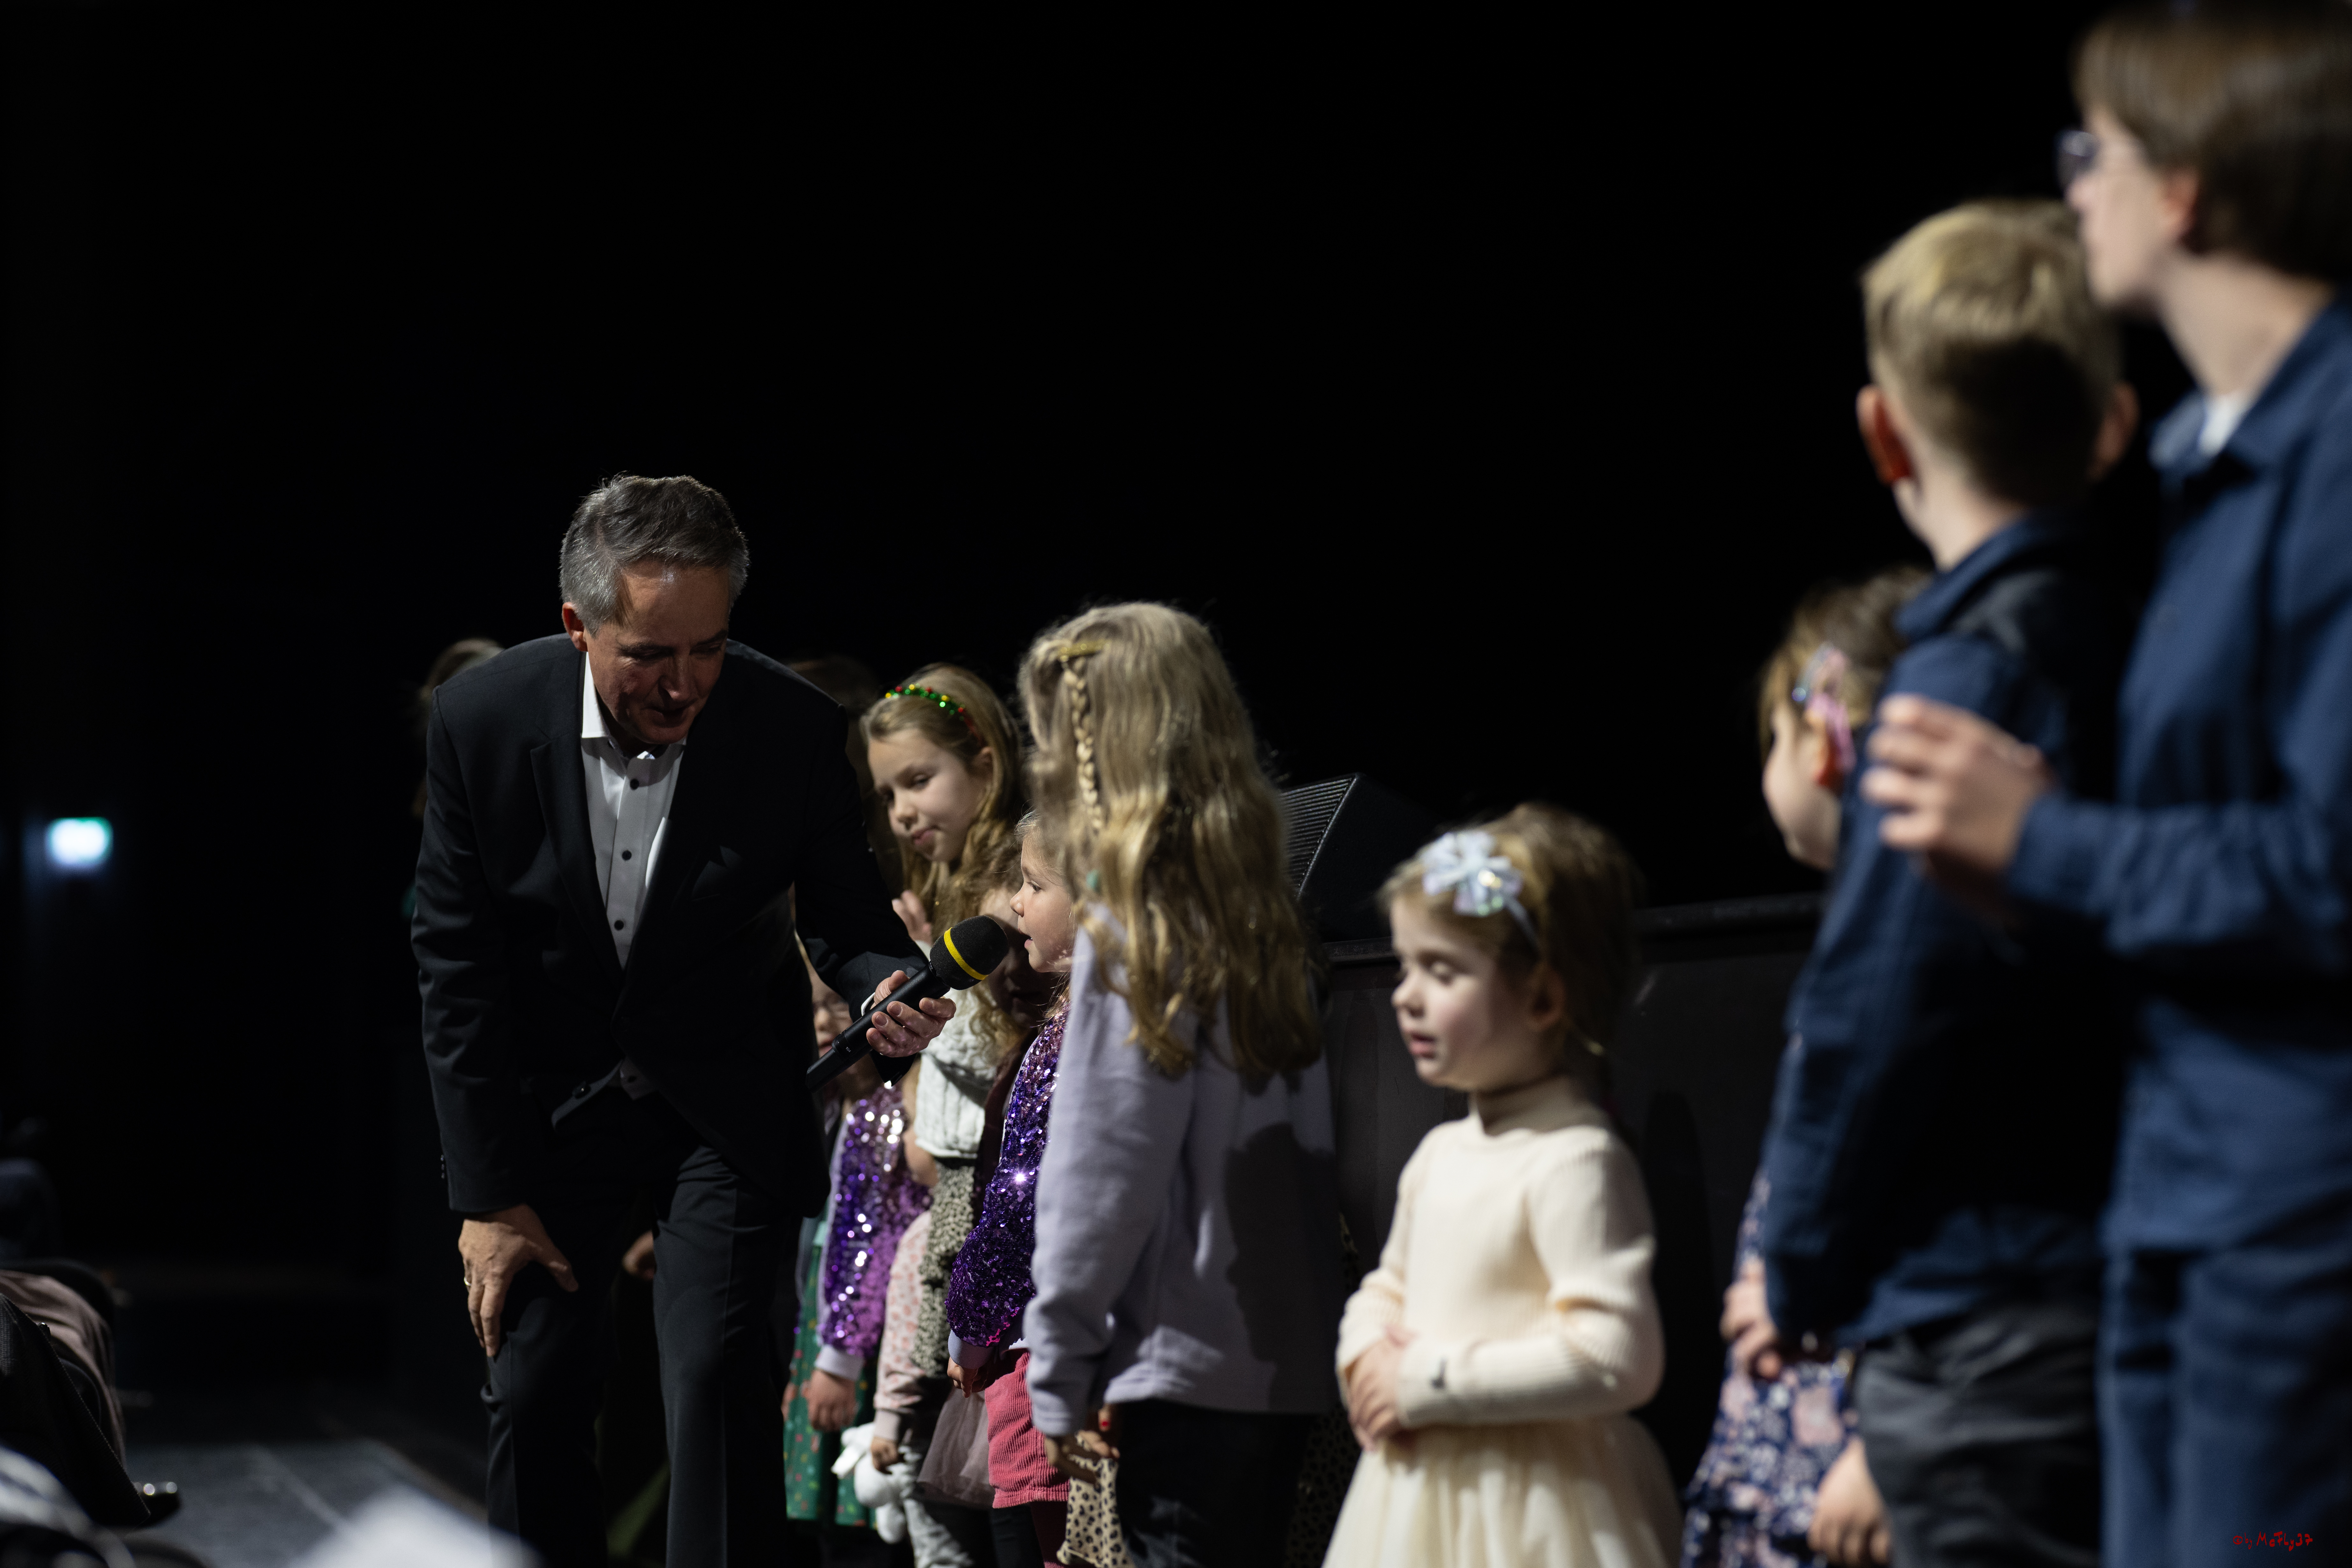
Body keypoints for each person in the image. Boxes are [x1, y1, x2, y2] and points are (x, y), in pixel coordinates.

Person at [1859, 5, 2352, 1557]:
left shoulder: (2336, 453)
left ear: (2187, 189)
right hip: (2182, 1208)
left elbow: (2326, 870)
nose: (2072, 188)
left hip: (2286, 1223)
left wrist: (2045, 836)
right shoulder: (2219, 466)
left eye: (2097, 152)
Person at [412, 474, 954, 1566]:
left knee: (710, 1374)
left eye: (707, 648)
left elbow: (851, 924)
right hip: (553, 1113)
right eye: (651, 655)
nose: (684, 684)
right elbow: (456, 967)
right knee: (535, 1387)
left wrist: (888, 982)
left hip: (722, 1104)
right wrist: (487, 1198)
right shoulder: (480, 720)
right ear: (577, 627)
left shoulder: (793, 726)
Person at [1754, 201, 2140, 1568]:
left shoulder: (1958, 681)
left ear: (1883, 431)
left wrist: (1791, 1259)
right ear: (2111, 420)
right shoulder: (2122, 637)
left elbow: (1875, 1002)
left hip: (1976, 1317)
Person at [1016, 604, 1345, 1568]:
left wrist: (1062, 1357)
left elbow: (1101, 1168)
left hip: (1179, 1368)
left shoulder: (1135, 929)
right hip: (1274, 1367)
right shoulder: (1260, 916)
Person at [1326, 807, 1681, 1567]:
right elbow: (1385, 1286)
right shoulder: (1439, 1152)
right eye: (1405, 964)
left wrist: (1423, 1379)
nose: (1404, 994)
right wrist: (1363, 1357)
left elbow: (1615, 1352)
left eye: (1442, 970)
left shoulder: (1573, 1159)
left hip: (1536, 1508)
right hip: (1419, 1492)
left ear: (1544, 998)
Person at [1684, 570, 1921, 1568]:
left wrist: (1886, 1447)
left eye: (1773, 737)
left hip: (1852, 1447)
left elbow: (1924, 1212)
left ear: (1822, 741)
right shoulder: (1868, 945)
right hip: (1792, 1427)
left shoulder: (1912, 960)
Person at [946, 816, 1081, 1566]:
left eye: (1033, 886)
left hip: (1046, 1351)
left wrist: (970, 1323)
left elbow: (1019, 1199)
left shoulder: (1072, 1032)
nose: (1017, 908)